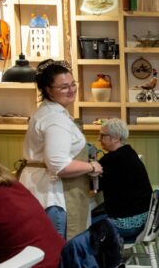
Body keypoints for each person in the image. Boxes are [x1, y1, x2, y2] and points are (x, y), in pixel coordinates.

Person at [19, 60, 102, 239]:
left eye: (73, 84)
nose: (71, 90)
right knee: (60, 255)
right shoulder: (54, 119)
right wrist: (92, 167)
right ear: (49, 90)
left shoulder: (51, 113)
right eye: (64, 87)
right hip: (52, 196)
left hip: (43, 191)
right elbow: (59, 165)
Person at [96, 118, 152, 240]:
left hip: (128, 223)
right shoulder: (129, 152)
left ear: (116, 138)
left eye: (102, 136)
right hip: (144, 218)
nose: (99, 139)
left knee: (85, 223)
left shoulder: (112, 160)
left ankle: (99, 259)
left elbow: (95, 187)